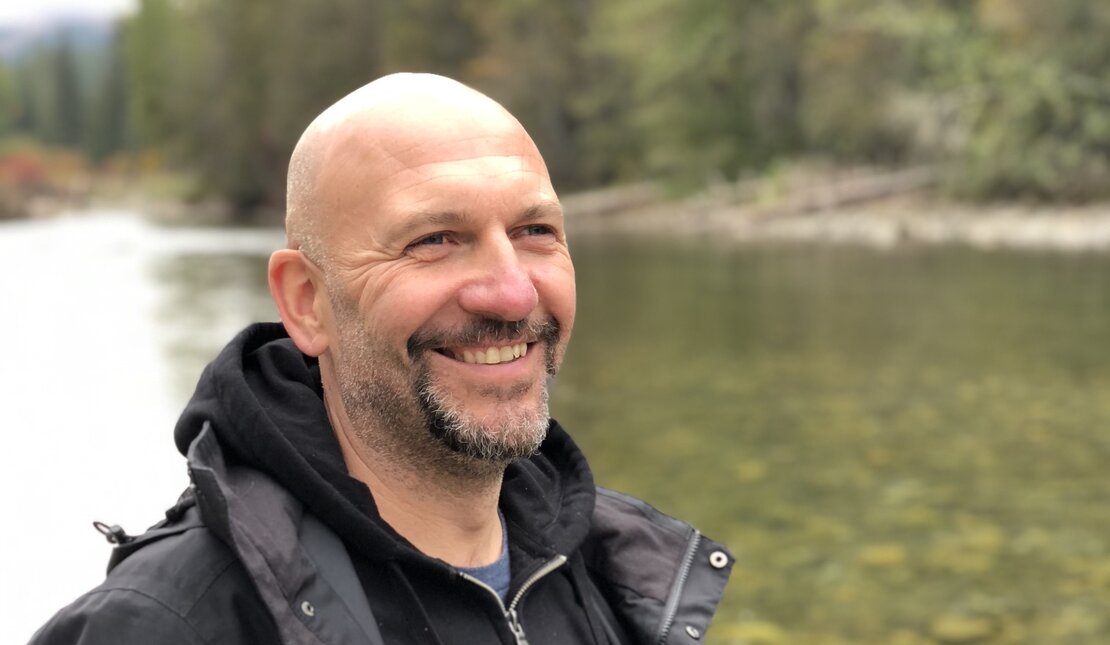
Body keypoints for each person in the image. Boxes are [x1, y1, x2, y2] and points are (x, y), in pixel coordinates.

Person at [30, 73, 732, 645]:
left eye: (535, 230)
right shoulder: (164, 625)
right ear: (307, 302)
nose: (513, 290)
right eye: (433, 238)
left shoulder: (615, 575)